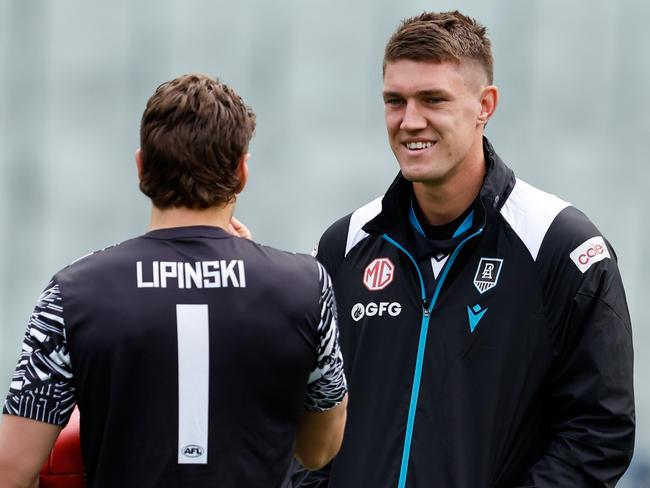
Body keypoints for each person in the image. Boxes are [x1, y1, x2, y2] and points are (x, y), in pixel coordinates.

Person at [298, 10, 634, 488]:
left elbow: (600, 432)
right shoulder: (344, 245)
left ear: (485, 104)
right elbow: (306, 411)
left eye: (433, 99)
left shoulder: (561, 246)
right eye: (395, 101)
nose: (410, 121)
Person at [0, 73, 348, 488]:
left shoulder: (74, 292)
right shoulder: (305, 287)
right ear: (241, 172)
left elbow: (11, 467)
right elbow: (319, 449)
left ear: (141, 167)